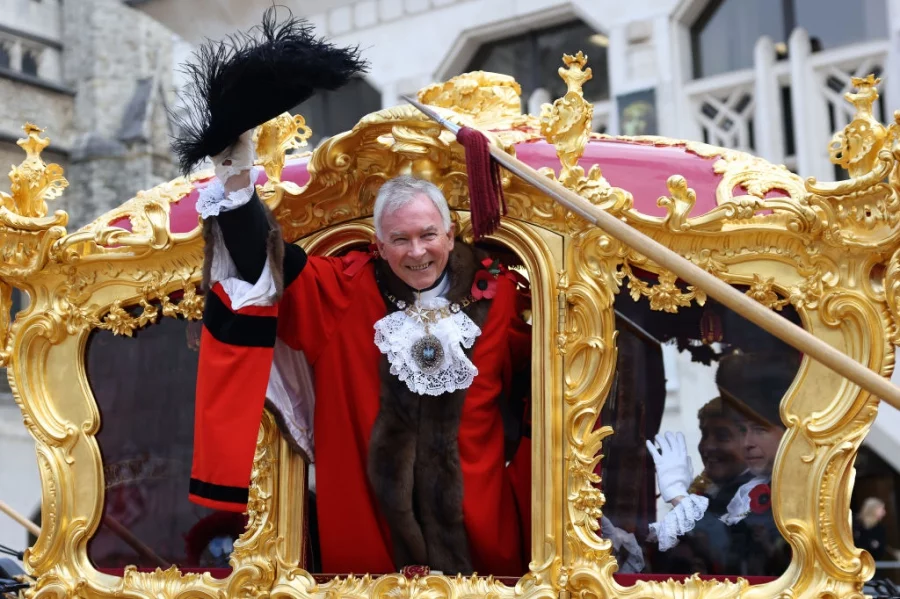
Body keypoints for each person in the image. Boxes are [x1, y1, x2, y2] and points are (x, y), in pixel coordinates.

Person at [188, 122, 533, 577]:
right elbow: (268, 260)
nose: (417, 252)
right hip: (370, 547)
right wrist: (235, 178)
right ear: (379, 245)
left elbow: (538, 389)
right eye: (400, 240)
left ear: (451, 236)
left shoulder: (503, 295)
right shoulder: (343, 291)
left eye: (428, 235)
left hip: (483, 535)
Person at [646, 351, 796, 576]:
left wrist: (681, 500)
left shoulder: (789, 491)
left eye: (759, 430)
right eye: (745, 430)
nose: (747, 443)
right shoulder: (734, 491)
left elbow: (736, 561)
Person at [854, 497, 889, 562]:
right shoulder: (855, 523)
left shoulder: (880, 529)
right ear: (873, 509)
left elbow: (880, 552)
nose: (884, 513)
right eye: (882, 509)